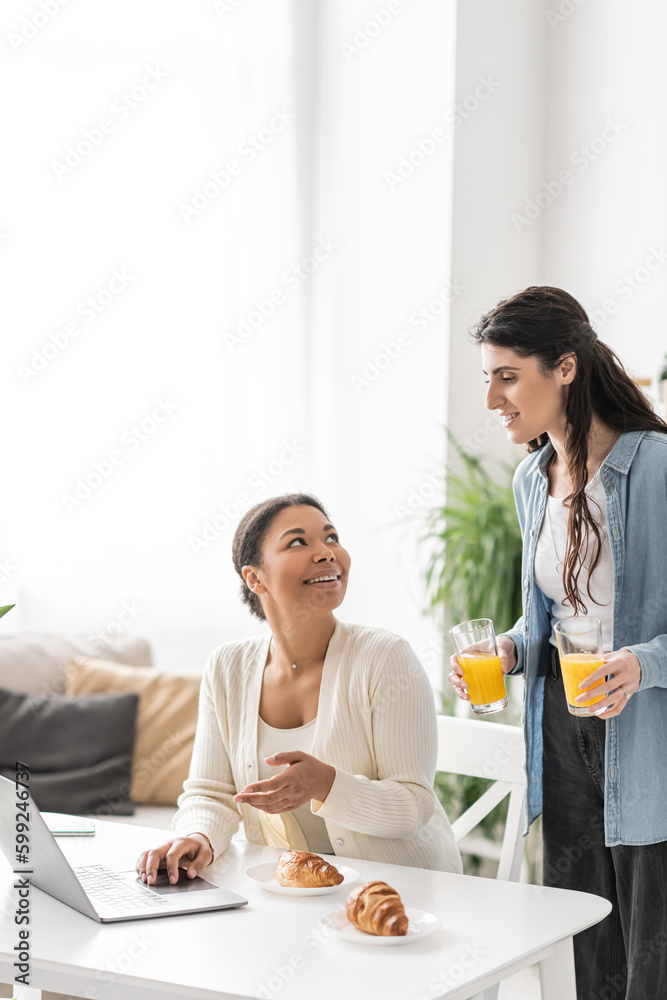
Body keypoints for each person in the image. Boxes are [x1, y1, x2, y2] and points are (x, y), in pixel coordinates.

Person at [448, 286, 667, 999]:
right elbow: (557, 615)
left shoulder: (656, 468)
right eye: (487, 378)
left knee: (648, 956)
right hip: (558, 728)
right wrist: (511, 650)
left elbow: (623, 633)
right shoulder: (529, 481)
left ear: (564, 368)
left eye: (506, 375)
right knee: (580, 942)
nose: (492, 399)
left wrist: (641, 663)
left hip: (644, 735)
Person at [137, 493, 462, 884]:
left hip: (406, 892)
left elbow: (414, 806)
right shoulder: (227, 668)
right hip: (295, 894)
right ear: (255, 577)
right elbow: (210, 792)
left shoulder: (385, 657)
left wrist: (325, 784)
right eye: (297, 542)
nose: (326, 553)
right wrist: (197, 835)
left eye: (331, 538)